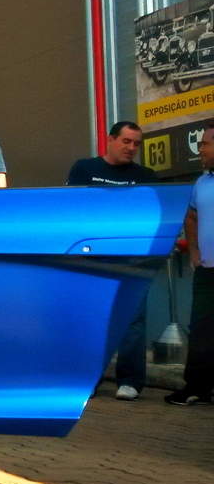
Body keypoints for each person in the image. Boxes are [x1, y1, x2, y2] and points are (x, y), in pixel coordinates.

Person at [65, 121, 157, 401]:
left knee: (132, 319)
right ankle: (88, 379)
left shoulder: (146, 176)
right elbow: (71, 209)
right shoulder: (84, 169)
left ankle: (130, 381)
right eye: (126, 141)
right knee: (91, 317)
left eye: (136, 144)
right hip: (92, 254)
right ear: (111, 140)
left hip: (132, 256)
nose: (131, 148)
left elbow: (154, 215)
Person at [169, 121, 214, 406]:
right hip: (207, 271)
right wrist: (194, 251)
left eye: (205, 144)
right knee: (201, 330)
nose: (201, 150)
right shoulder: (202, 183)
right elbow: (192, 216)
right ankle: (196, 387)